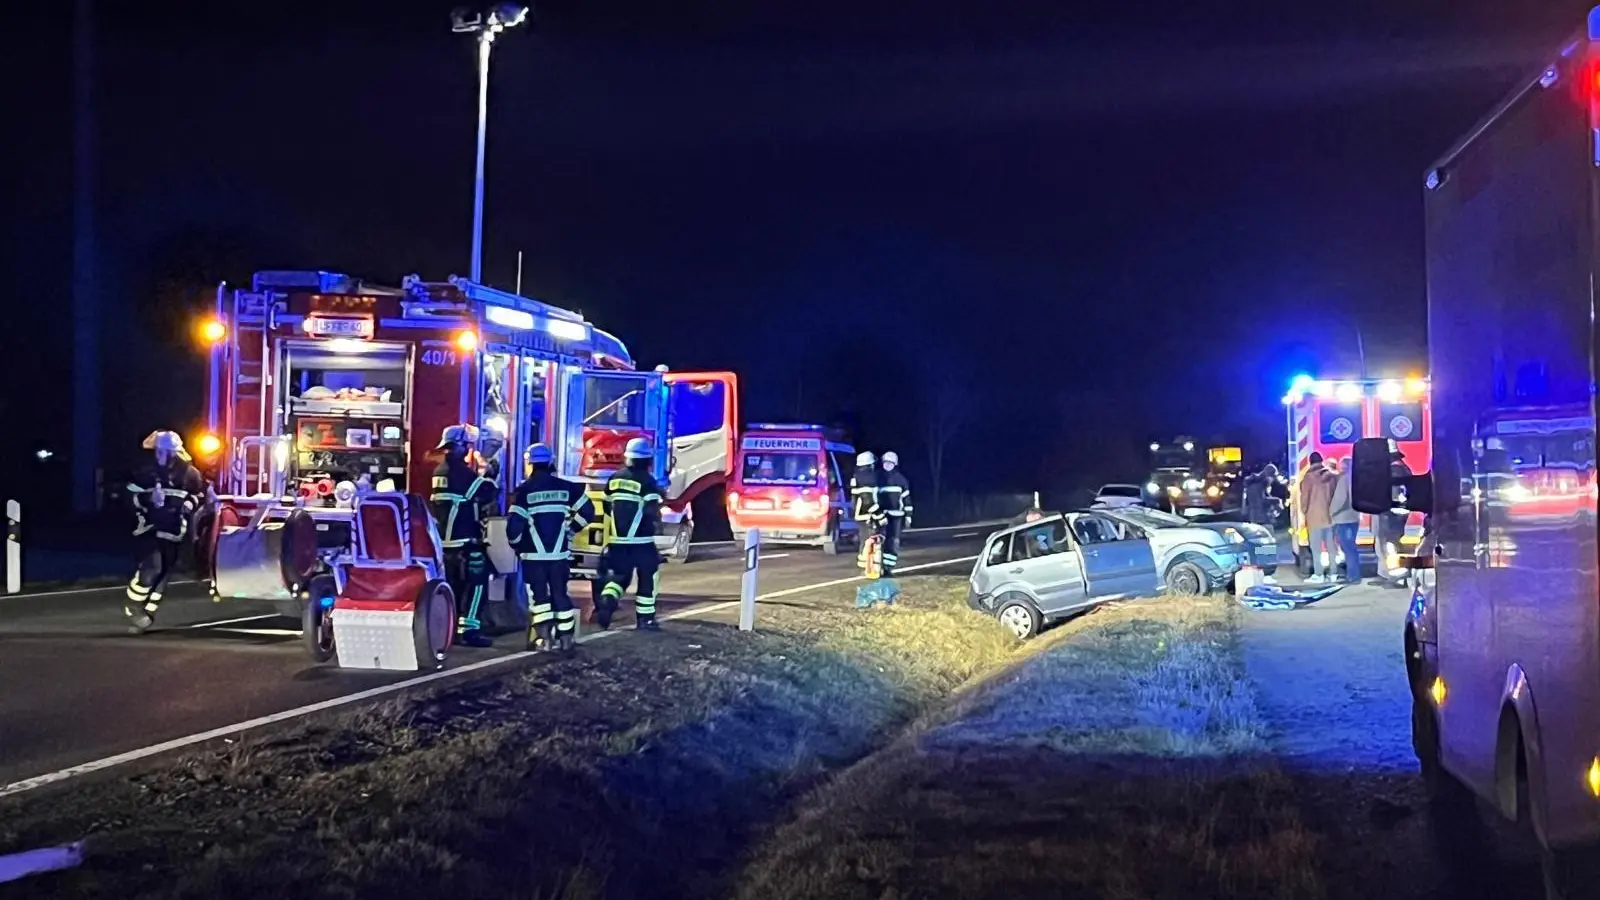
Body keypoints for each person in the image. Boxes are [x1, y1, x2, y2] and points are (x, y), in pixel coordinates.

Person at [507, 443, 594, 653]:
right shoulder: (567, 487)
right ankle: (566, 639)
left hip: (532, 556)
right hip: (559, 555)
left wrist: (516, 545)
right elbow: (588, 511)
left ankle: (544, 640)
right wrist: (571, 529)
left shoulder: (524, 491)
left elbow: (513, 528)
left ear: (530, 464)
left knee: (539, 598)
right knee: (560, 593)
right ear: (550, 462)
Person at [125, 431, 208, 633]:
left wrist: (189, 504)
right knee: (152, 568)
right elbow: (128, 496)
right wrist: (147, 500)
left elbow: (199, 494)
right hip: (149, 528)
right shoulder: (145, 473)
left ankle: (148, 613)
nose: (165, 455)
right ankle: (134, 606)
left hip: (175, 530)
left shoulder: (190, 474)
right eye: (161, 451)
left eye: (168, 451)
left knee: (164, 572)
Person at [428, 424, 500, 648]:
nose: (468, 449)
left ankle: (452, 629)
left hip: (445, 543)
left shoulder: (440, 470)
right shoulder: (460, 472)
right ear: (458, 447)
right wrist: (490, 472)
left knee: (454, 587)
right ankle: (470, 630)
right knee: (477, 583)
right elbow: (486, 493)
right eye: (466, 446)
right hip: (464, 541)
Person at [597, 437, 665, 630]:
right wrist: (657, 522)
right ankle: (645, 619)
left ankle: (607, 600)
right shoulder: (647, 481)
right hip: (641, 541)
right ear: (646, 460)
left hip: (618, 540)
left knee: (619, 577)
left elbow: (606, 505)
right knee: (648, 577)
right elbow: (651, 509)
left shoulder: (615, 478)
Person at [1297, 452, 1337, 583]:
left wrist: (1304, 512)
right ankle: (1333, 574)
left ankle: (1319, 574)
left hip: (1314, 518)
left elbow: (1304, 499)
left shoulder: (1308, 478)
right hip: (1330, 517)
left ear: (1310, 462)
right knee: (1331, 547)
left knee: (1316, 549)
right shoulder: (1331, 476)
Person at [877, 451, 913, 576]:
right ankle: (877, 567)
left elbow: (907, 499)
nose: (887, 465)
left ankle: (888, 568)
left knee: (893, 542)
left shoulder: (901, 480)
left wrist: (908, 516)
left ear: (895, 464)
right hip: (881, 516)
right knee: (879, 542)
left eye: (890, 463)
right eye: (886, 463)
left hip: (896, 517)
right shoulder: (878, 478)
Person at [1327, 457, 1362, 583]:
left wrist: (1331, 512)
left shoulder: (1344, 479)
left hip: (1344, 519)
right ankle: (1353, 575)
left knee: (1348, 548)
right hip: (1354, 517)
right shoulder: (1356, 478)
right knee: (1351, 547)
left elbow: (1340, 500)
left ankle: (1353, 576)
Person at [850, 451, 881, 569]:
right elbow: (868, 498)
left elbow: (855, 498)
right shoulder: (869, 477)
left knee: (864, 538)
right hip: (870, 512)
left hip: (860, 514)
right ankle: (872, 564)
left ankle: (864, 563)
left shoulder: (856, 477)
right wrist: (878, 514)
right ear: (870, 464)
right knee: (873, 537)